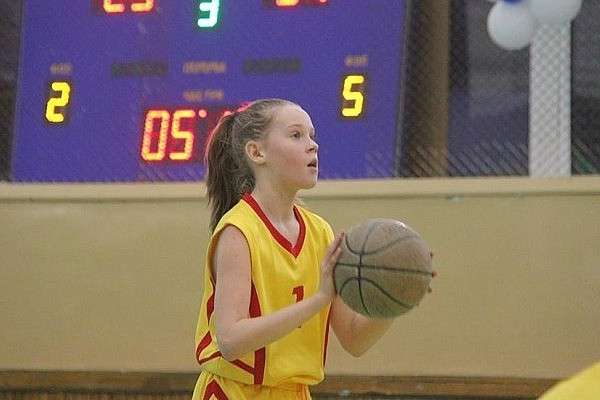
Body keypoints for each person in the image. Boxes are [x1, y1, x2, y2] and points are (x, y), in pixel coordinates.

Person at [192, 98, 411, 400]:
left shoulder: (320, 232)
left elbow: (354, 339)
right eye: (296, 135)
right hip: (234, 392)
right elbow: (230, 341)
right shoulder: (238, 231)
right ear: (257, 152)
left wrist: (395, 299)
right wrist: (318, 300)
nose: (313, 145)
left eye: (312, 135)